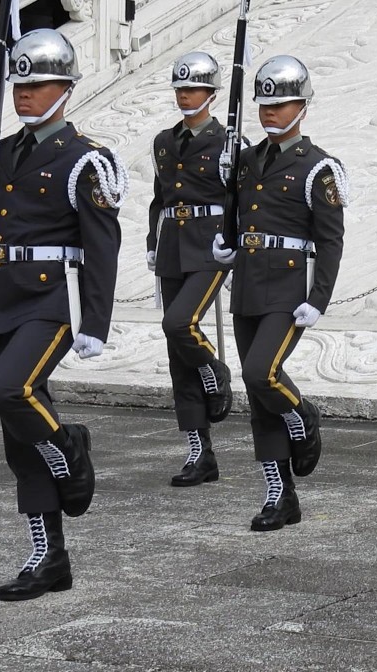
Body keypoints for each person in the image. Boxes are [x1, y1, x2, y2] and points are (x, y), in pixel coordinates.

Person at [0, 28, 126, 601]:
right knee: (16, 437)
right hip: (2, 295)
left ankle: (71, 448)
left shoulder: (86, 159)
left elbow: (102, 246)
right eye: (19, 85)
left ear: (66, 88)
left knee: (7, 390)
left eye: (37, 85)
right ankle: (49, 556)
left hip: (54, 298)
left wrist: (95, 323)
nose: (24, 95)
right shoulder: (5, 148)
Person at [209, 55, 344, 532]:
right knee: (256, 390)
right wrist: (226, 245)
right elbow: (236, 215)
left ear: (303, 106)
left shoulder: (319, 167)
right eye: (265, 103)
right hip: (248, 280)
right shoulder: (245, 160)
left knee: (261, 372)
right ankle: (279, 494)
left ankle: (303, 417)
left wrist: (319, 297)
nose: (270, 111)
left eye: (281, 103)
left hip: (289, 287)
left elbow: (330, 239)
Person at [148, 51, 233, 487]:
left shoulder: (229, 142)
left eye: (194, 88)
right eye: (180, 89)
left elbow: (240, 197)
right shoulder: (164, 140)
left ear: (212, 94)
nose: (186, 95)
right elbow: (159, 197)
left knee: (179, 324)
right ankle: (200, 454)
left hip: (209, 244)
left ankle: (214, 369)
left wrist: (234, 241)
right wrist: (151, 242)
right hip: (172, 246)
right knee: (176, 354)